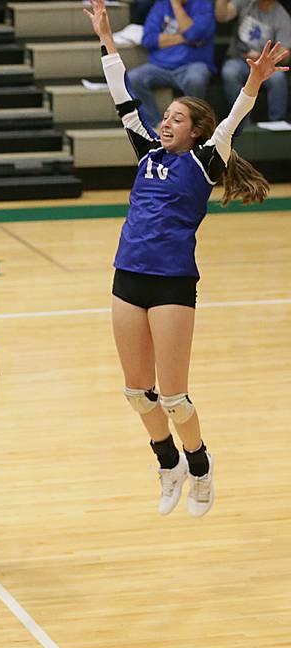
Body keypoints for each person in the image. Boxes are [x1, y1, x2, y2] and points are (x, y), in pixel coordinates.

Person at [84, 0, 287, 516]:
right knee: (136, 391)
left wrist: (256, 80)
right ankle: (166, 461)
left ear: (196, 131)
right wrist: (107, 39)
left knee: (174, 397)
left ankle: (199, 466)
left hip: (172, 284)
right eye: (166, 117)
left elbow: (235, 116)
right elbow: (123, 98)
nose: (167, 123)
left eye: (177, 119)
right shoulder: (147, 152)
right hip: (127, 277)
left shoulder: (204, 161)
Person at [128, 0, 217, 127]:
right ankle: (157, 126)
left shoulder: (203, 5)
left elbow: (194, 34)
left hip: (192, 65)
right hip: (160, 65)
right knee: (133, 78)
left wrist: (176, 5)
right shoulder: (161, 5)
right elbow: (148, 39)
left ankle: (192, 127)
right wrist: (183, 38)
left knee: (196, 79)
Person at [217, 0, 291, 122]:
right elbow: (222, 16)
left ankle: (277, 123)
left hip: (265, 64)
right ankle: (242, 122)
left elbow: (285, 55)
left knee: (278, 78)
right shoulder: (245, 2)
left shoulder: (281, 16)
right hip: (239, 59)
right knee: (230, 72)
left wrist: (264, 58)